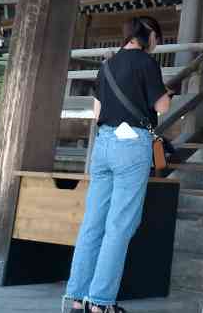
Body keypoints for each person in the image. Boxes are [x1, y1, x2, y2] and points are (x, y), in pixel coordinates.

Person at [63, 16, 172, 313]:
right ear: (148, 34)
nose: (156, 44)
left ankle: (77, 299)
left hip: (104, 143)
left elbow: (97, 112)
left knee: (93, 223)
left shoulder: (107, 65)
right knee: (119, 226)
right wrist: (166, 93)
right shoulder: (147, 63)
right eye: (157, 38)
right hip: (131, 146)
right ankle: (100, 303)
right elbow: (161, 106)